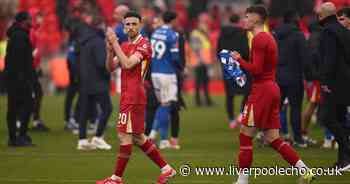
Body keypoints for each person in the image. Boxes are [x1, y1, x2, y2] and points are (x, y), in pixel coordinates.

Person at [230, 5, 314, 184]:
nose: (244, 20)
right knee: (272, 138)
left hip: (262, 91)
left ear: (256, 18)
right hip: (271, 89)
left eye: (246, 16)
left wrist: (239, 61)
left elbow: (257, 70)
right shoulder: (266, 37)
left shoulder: (260, 39)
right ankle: (305, 171)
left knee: (245, 136)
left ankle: (242, 181)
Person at [97, 11, 176, 184]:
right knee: (138, 137)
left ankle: (116, 178)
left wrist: (114, 43)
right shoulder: (125, 45)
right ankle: (167, 169)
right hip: (129, 95)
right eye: (128, 24)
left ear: (140, 25)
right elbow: (111, 67)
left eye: (134, 24)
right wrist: (109, 50)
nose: (131, 27)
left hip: (134, 96)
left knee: (124, 135)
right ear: (124, 27)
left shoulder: (144, 44)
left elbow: (127, 63)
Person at [317, 2, 350, 171]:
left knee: (327, 118)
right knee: (341, 120)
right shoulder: (344, 31)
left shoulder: (328, 32)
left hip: (333, 83)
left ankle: (347, 154)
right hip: (345, 82)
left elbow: (328, 59)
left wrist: (324, 81)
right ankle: (343, 162)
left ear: (322, 15)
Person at [76, 10, 112, 150]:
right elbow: (101, 63)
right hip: (98, 81)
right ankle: (98, 137)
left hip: (85, 81)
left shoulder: (85, 40)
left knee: (85, 111)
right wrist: (107, 75)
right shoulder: (98, 41)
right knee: (107, 109)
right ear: (101, 25)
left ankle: (82, 140)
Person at [273, 10, 310, 147]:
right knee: (295, 108)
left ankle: (272, 137)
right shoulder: (298, 35)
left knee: (276, 109)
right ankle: (298, 138)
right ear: (295, 20)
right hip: (294, 77)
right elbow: (305, 58)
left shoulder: (275, 35)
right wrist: (309, 75)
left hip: (277, 77)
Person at [148, 11, 180, 149]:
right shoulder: (173, 35)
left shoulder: (155, 33)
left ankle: (154, 135)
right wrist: (181, 69)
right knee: (166, 105)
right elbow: (175, 57)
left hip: (155, 72)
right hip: (167, 73)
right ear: (173, 20)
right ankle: (162, 140)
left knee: (163, 104)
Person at [4, 12, 35, 147]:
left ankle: (16, 136)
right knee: (25, 105)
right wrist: (25, 76)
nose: (31, 21)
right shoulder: (20, 36)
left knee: (15, 107)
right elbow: (20, 59)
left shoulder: (17, 35)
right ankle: (18, 136)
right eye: (29, 19)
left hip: (15, 77)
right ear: (23, 21)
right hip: (19, 78)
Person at [217, 14, 250, 129]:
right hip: (240, 65)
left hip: (227, 66)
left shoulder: (222, 34)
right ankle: (241, 114)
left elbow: (218, 50)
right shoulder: (242, 33)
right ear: (238, 21)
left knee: (229, 95)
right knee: (247, 91)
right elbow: (245, 51)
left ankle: (231, 120)